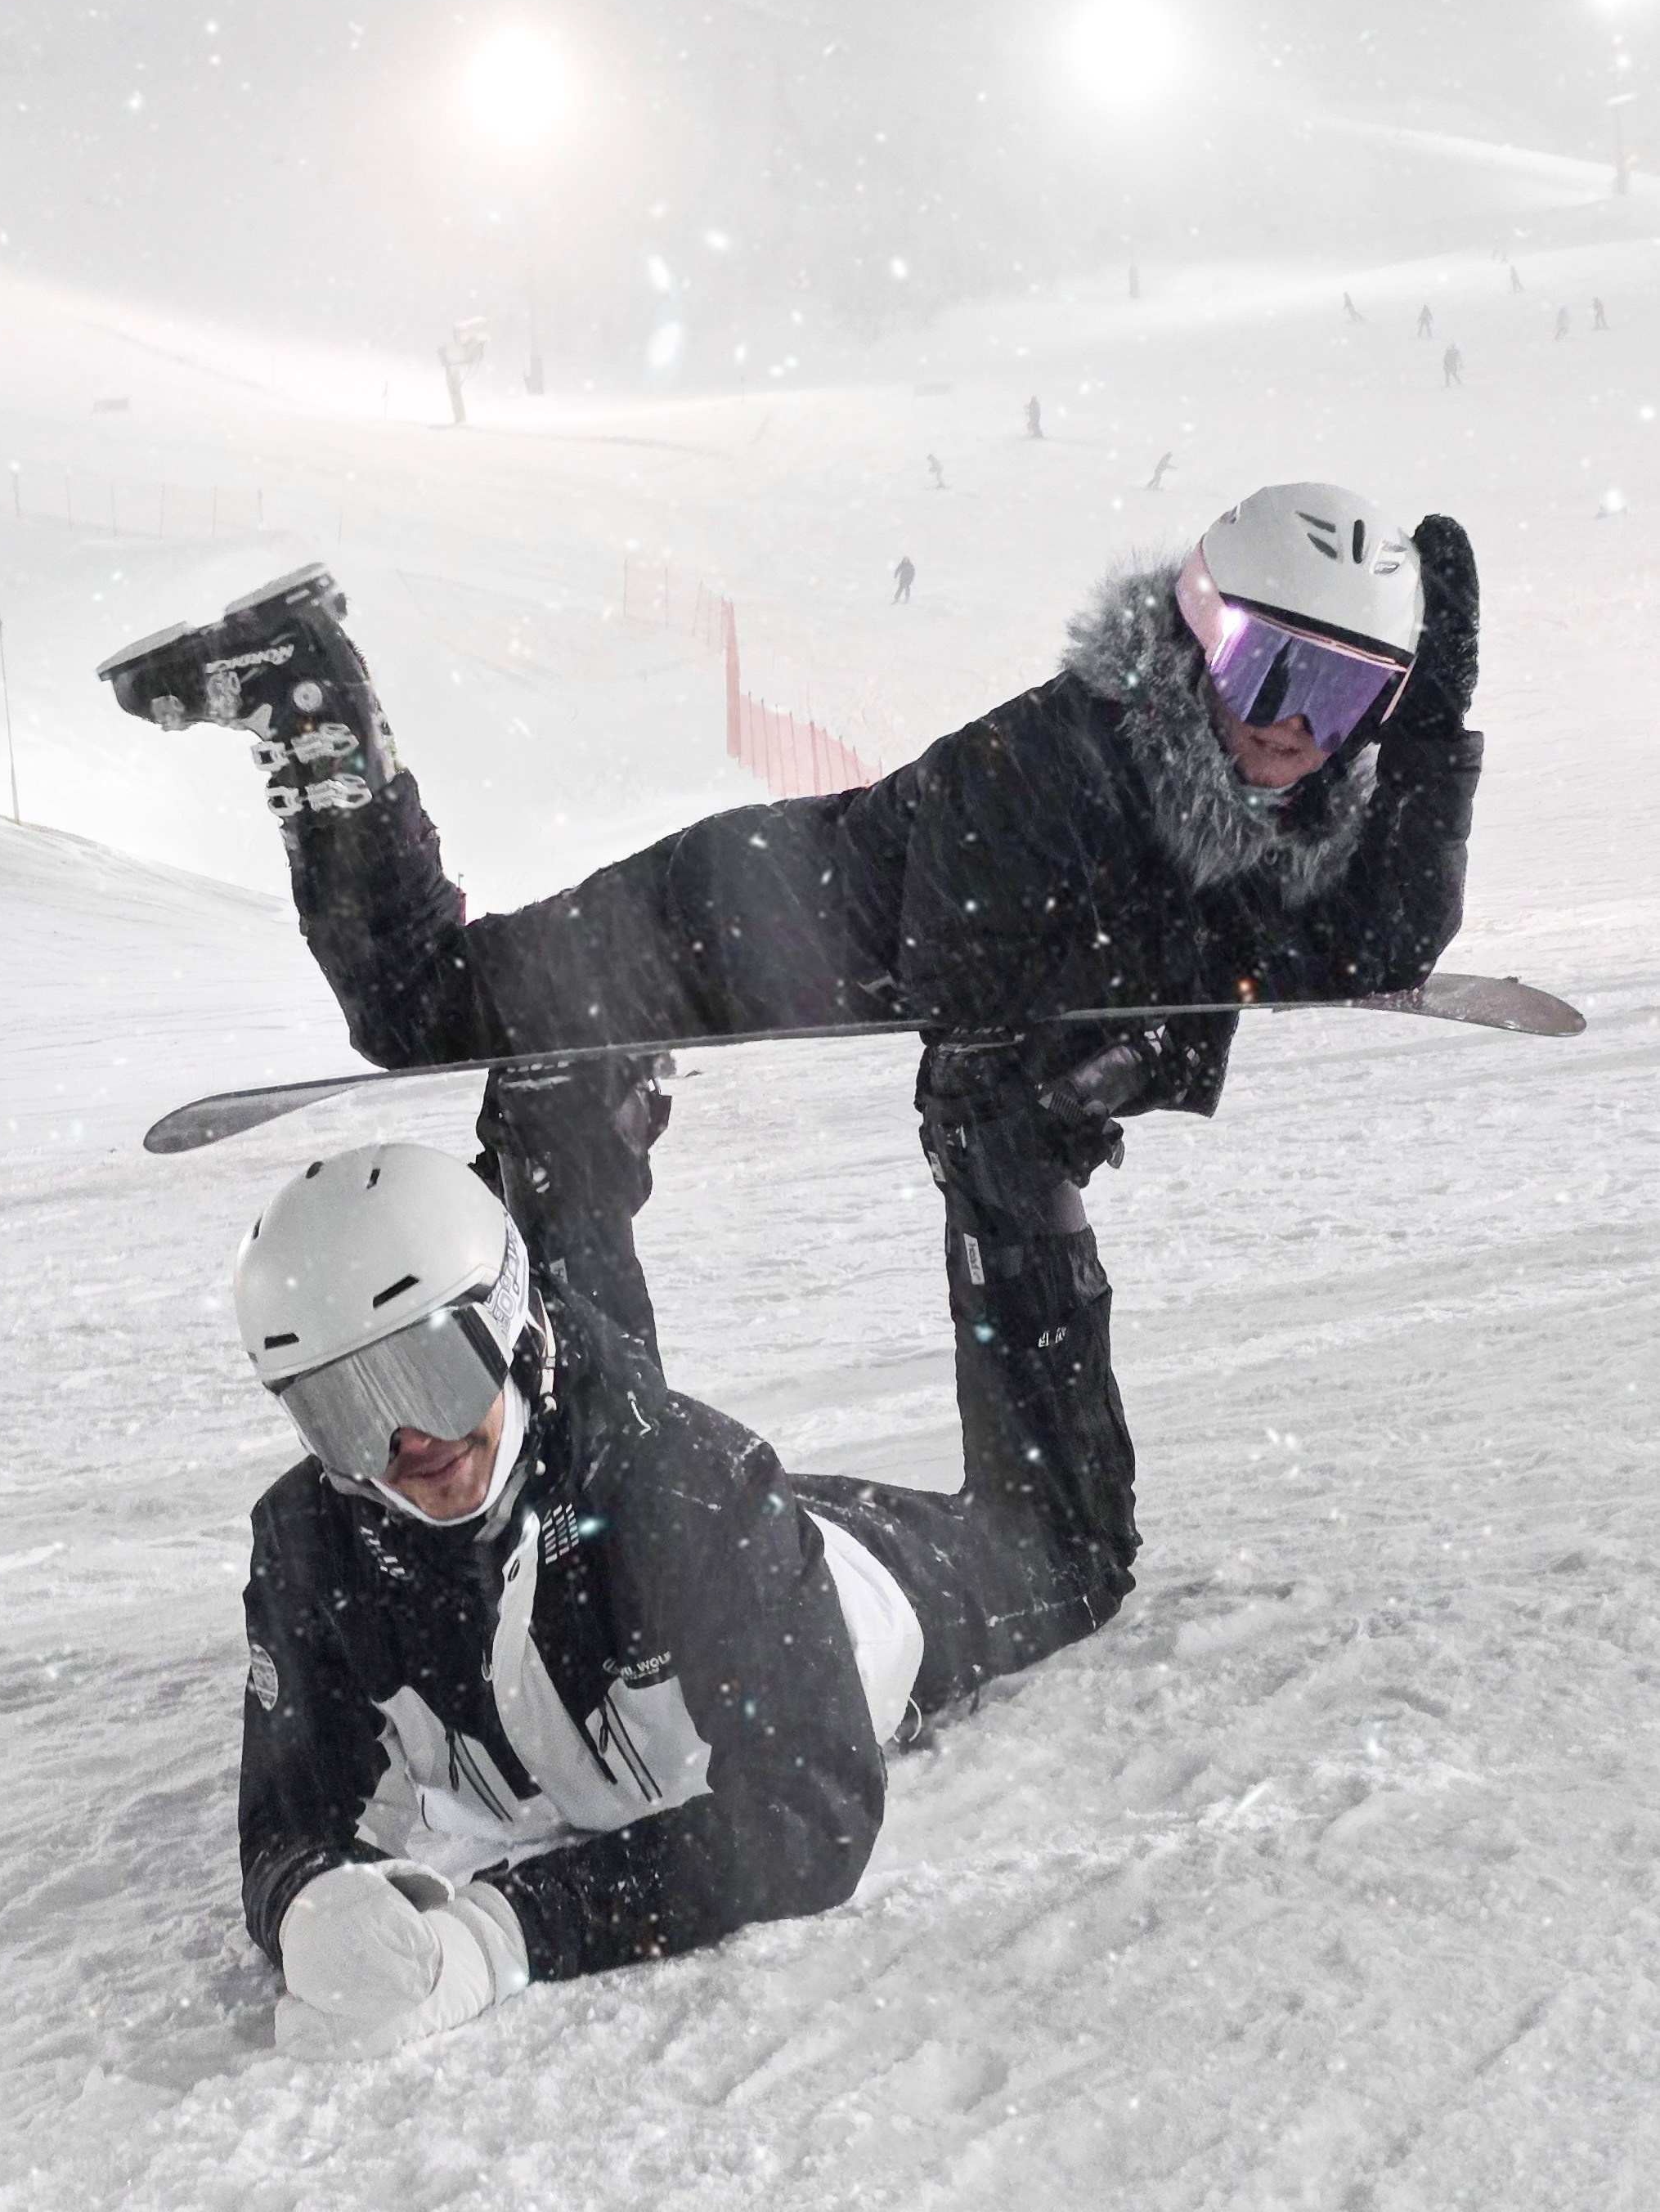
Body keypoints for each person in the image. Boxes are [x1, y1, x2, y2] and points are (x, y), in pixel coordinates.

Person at [99, 480, 1483, 1778]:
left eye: (1345, 690)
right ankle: (309, 704)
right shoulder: (1057, 757)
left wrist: (1427, 745)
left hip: (822, 950)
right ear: (1189, 635)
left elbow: (1367, 942)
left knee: (1067, 1546)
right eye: (1266, 667)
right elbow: (983, 991)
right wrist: (1135, 1049)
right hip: (718, 927)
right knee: (420, 1005)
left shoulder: (1297, 794)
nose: (1294, 724)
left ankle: (601, 1320)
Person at [232, 1124, 1133, 2051]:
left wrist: (504, 1929)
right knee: (583, 1471)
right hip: (619, 1519)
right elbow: (289, 1818)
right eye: (345, 1409)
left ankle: (1007, 1154)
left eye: (431, 1371)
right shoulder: (311, 1547)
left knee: (1074, 1554)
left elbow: (808, 1817)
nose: (408, 1443)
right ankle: (557, 1122)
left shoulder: (692, 1489)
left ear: (503, 1318)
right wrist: (310, 1904)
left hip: (852, 1584)